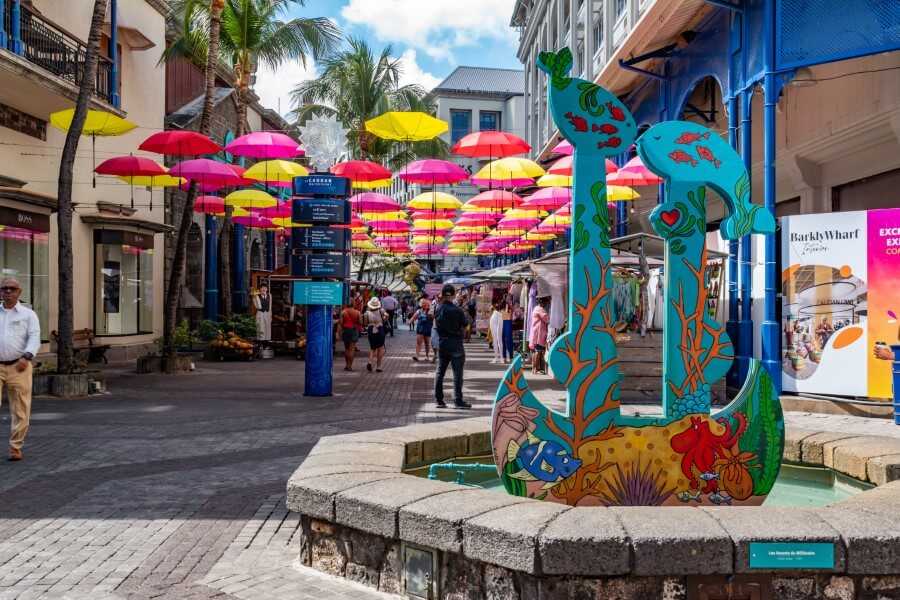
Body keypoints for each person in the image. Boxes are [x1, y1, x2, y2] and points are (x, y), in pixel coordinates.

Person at [0, 277, 40, 461]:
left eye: (11, 289)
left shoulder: (28, 314)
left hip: (19, 366)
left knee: (20, 409)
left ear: (19, 292)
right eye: (4, 288)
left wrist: (27, 356)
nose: (7, 291)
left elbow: (34, 337)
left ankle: (15, 447)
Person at [433, 284, 471, 409]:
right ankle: (457, 400)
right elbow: (465, 324)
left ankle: (439, 400)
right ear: (453, 295)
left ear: (443, 295)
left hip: (443, 343)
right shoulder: (457, 310)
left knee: (440, 372)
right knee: (457, 374)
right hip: (456, 344)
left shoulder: (438, 309)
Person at [362, 297, 388, 372]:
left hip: (371, 330)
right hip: (380, 329)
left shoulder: (367, 313)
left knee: (372, 348)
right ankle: (378, 367)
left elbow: (365, 323)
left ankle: (370, 362)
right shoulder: (381, 311)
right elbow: (387, 315)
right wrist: (383, 319)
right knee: (380, 348)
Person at [530, 297, 550, 375]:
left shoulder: (536, 308)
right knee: (538, 352)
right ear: (542, 303)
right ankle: (535, 369)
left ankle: (534, 369)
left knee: (536, 351)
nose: (546, 305)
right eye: (545, 303)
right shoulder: (540, 309)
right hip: (539, 333)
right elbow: (547, 319)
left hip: (537, 332)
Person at [340, 301, 362, 371]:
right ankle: (350, 366)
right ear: (354, 304)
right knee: (352, 349)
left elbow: (341, 323)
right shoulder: (357, 312)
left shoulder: (343, 312)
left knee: (346, 349)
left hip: (346, 330)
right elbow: (360, 322)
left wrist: (339, 332)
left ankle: (346, 365)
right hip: (354, 330)